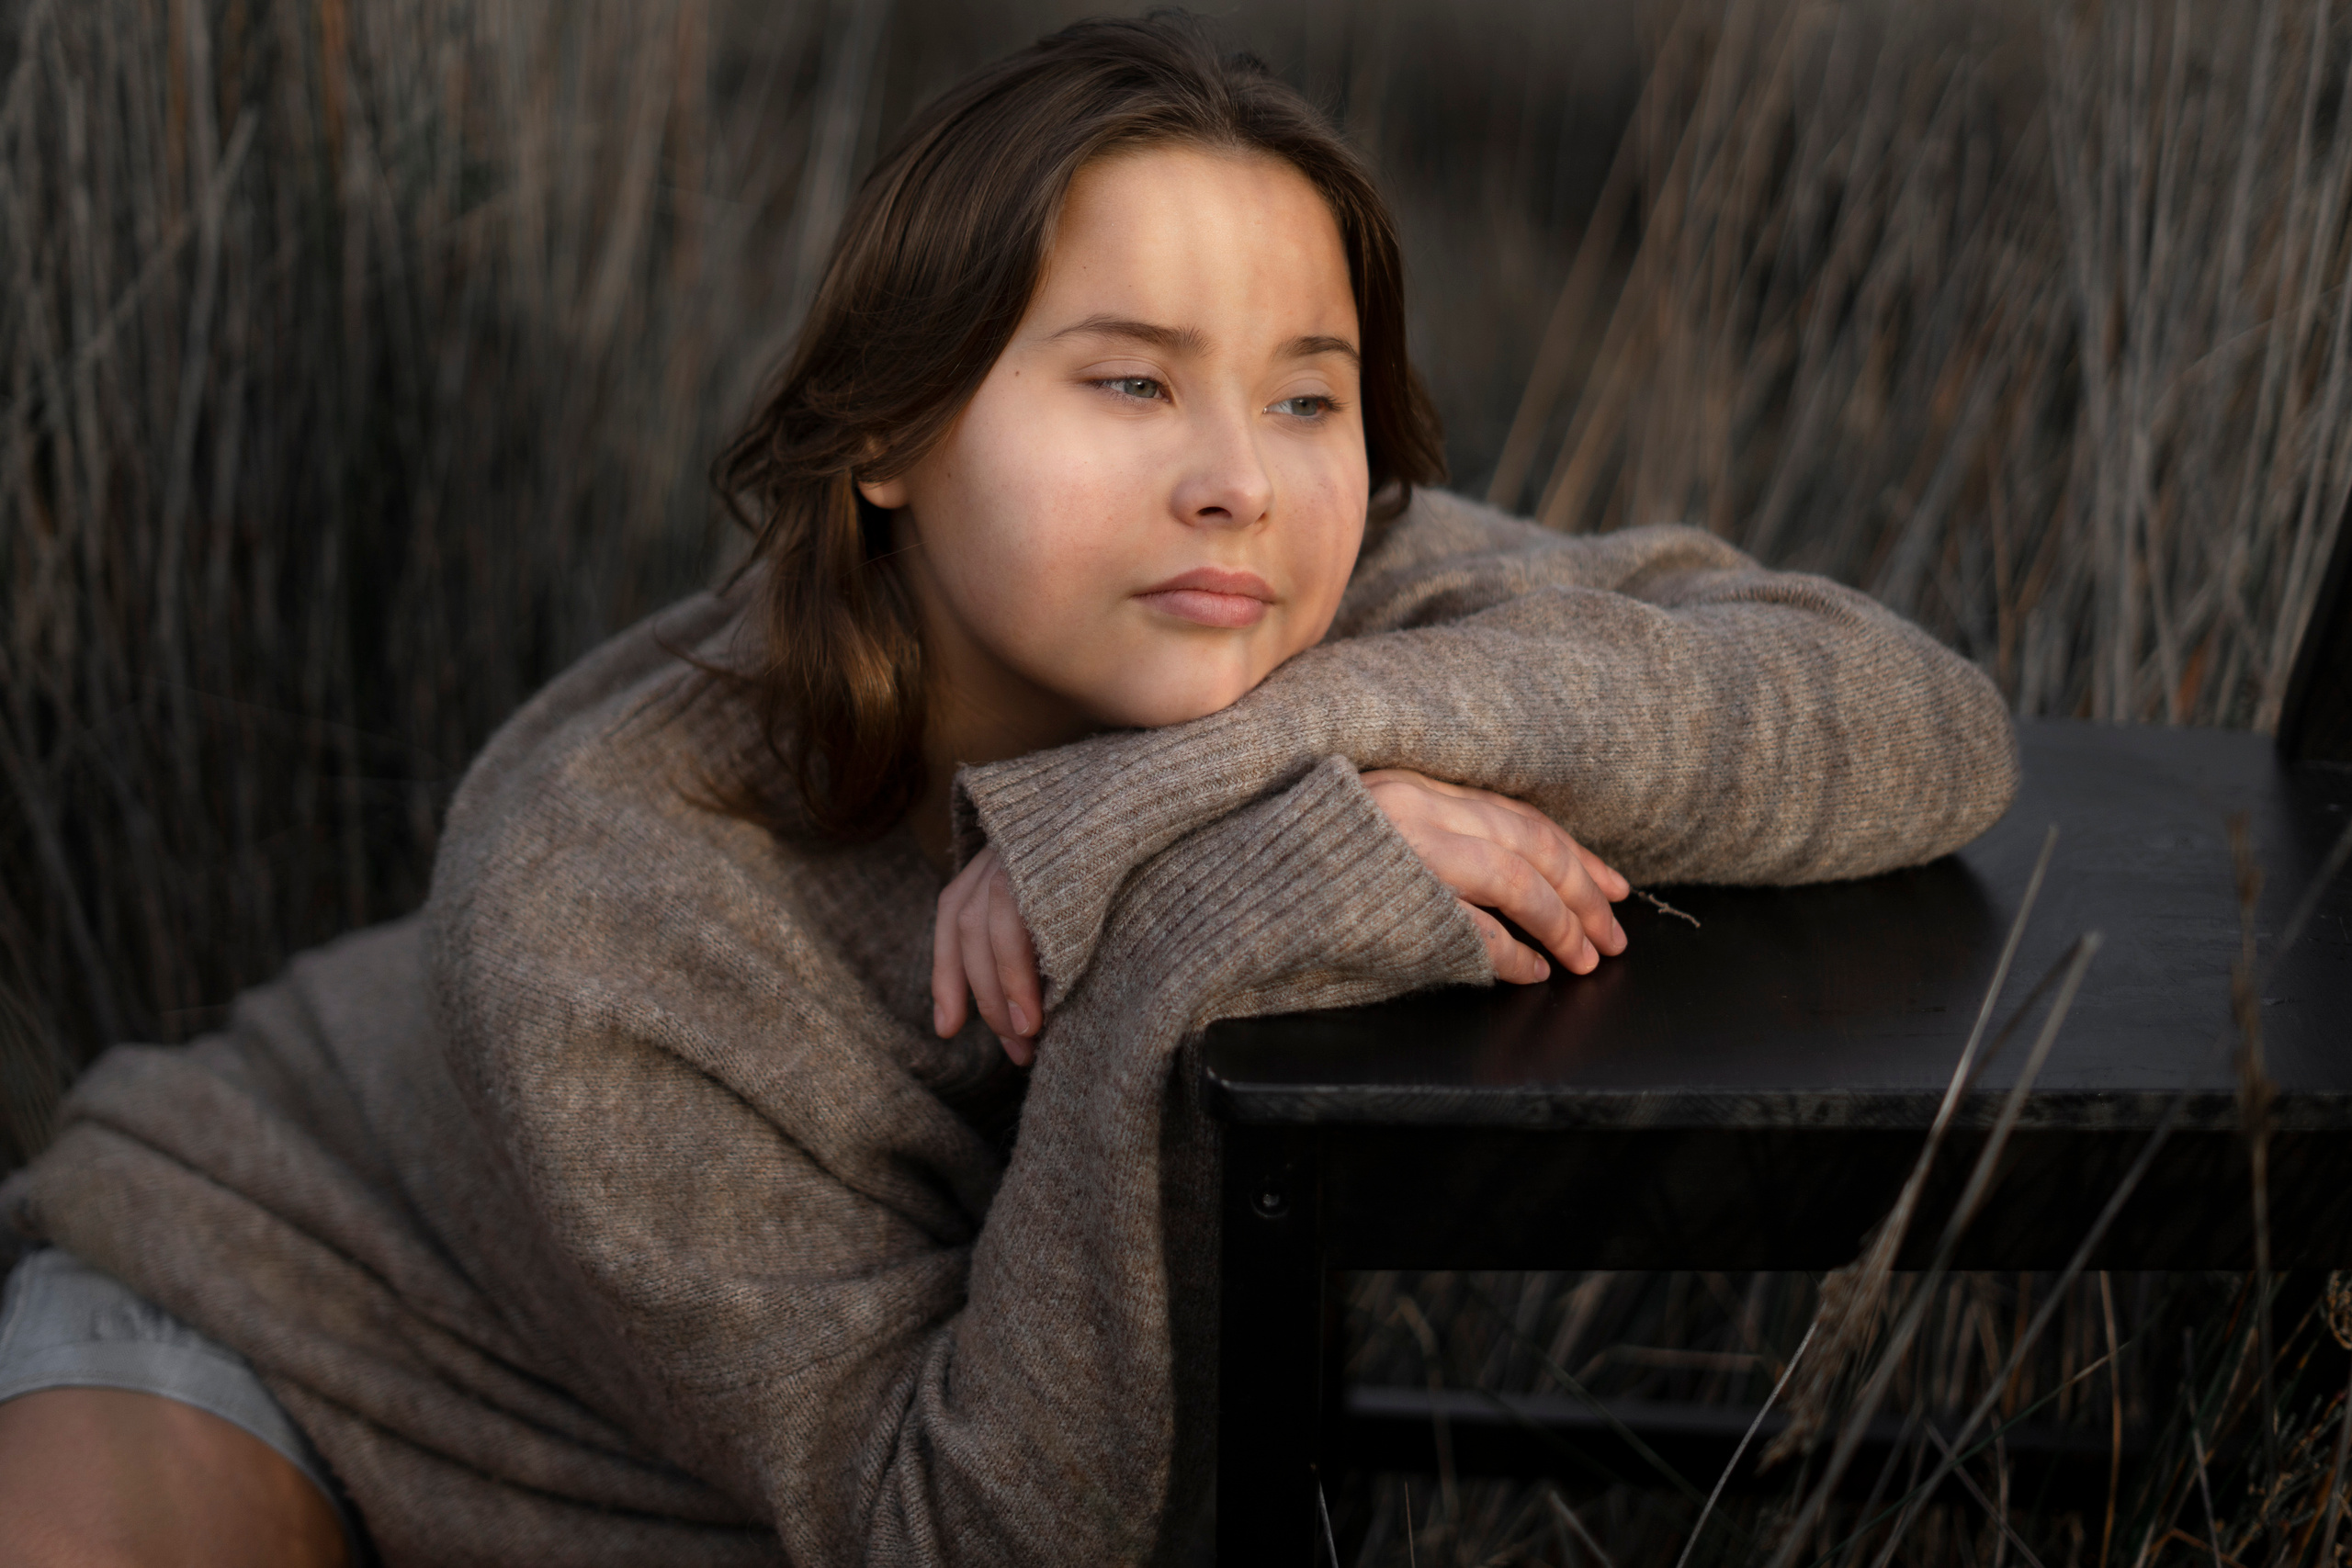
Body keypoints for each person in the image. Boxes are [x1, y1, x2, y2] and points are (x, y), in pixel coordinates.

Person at [0, 14, 2018, 1566]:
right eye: (1127, 378)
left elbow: (1919, 720)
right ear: (884, 431)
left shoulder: (1298, 592)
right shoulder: (611, 896)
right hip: (282, 1333)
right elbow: (965, 1538)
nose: (1235, 467)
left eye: (1305, 389)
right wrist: (1212, 925)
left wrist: (1193, 793)